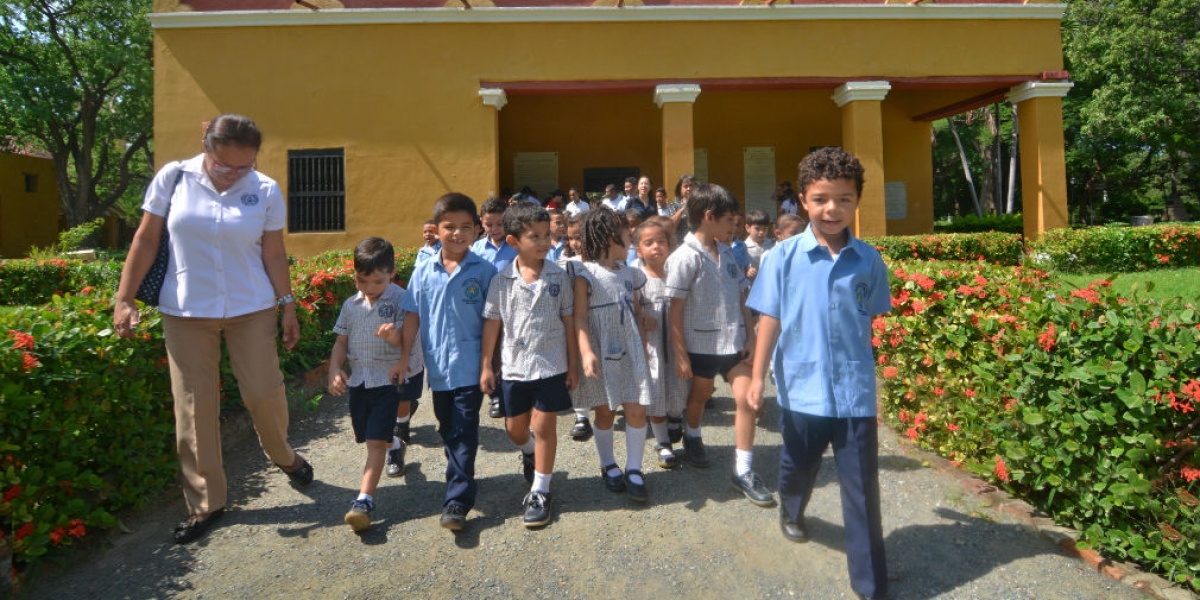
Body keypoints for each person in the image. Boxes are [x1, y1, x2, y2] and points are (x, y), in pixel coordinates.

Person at [113, 114, 313, 545]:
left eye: (246, 165)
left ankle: (284, 456)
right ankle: (206, 503)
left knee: (264, 392)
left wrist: (288, 306)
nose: (236, 174)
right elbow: (146, 240)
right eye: (226, 166)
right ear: (206, 148)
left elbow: (274, 254)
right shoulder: (173, 178)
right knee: (194, 406)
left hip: (252, 306)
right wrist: (124, 298)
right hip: (186, 310)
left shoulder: (265, 189)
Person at [747, 147, 891, 600]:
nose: (833, 209)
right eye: (822, 198)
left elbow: (871, 319)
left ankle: (870, 586)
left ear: (856, 202)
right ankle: (791, 510)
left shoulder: (869, 260)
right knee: (798, 465)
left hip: (853, 392)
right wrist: (755, 378)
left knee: (861, 489)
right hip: (801, 388)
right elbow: (768, 318)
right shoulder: (781, 258)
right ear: (804, 201)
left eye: (844, 199)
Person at [390, 193, 498, 532]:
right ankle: (459, 478)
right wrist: (405, 357)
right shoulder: (423, 272)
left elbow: (494, 322)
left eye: (466, 227)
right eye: (449, 227)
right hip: (438, 369)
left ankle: (458, 499)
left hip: (470, 366)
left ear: (477, 230)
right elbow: (411, 316)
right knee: (447, 426)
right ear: (435, 230)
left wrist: (488, 365)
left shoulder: (485, 271)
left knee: (464, 429)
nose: (458, 233)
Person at [665, 184, 772, 507]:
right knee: (700, 395)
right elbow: (675, 309)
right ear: (709, 218)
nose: (734, 228)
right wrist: (681, 354)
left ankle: (743, 470)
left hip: (734, 343)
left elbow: (742, 296)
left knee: (748, 400)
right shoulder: (684, 258)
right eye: (730, 221)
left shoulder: (727, 252)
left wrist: (752, 337)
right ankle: (693, 434)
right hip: (700, 344)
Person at [480, 202, 578, 528]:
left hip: (550, 364)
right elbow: (493, 325)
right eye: (533, 236)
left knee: (544, 425)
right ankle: (529, 451)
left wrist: (574, 365)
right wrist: (486, 366)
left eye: (546, 235)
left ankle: (541, 490)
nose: (542, 242)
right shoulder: (500, 281)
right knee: (515, 430)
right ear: (513, 242)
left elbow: (569, 321)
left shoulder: (558, 277)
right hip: (514, 367)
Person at [328, 238, 423, 532]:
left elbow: (405, 339)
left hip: (388, 380)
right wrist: (334, 368)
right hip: (360, 381)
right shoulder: (351, 304)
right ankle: (395, 445)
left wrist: (392, 337)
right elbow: (341, 341)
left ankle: (364, 500)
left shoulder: (400, 299)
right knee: (372, 436)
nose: (369, 287)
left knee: (372, 443)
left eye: (377, 281)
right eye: (362, 280)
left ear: (392, 272)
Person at [571, 207, 653, 503]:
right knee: (605, 412)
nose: (631, 239)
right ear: (609, 237)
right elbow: (579, 317)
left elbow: (638, 312)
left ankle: (634, 469)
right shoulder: (584, 274)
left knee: (636, 409)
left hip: (631, 352)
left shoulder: (631, 273)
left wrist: (643, 347)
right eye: (626, 235)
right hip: (602, 351)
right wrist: (586, 352)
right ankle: (608, 463)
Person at [634, 220, 689, 469]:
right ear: (638, 249)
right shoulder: (637, 278)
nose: (656, 247)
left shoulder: (677, 273)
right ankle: (662, 442)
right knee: (655, 391)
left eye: (661, 241)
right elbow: (630, 308)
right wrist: (641, 317)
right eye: (649, 243)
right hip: (652, 346)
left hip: (677, 342)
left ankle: (676, 417)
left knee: (679, 389)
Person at [471, 197, 517, 419]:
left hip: (514, 309)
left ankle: (512, 390)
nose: (495, 229)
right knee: (491, 351)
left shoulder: (516, 246)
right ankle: (495, 395)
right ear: (481, 223)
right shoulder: (477, 249)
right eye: (490, 225)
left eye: (500, 224)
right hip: (486, 311)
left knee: (510, 349)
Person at [559, 213, 594, 441]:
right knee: (578, 366)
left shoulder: (601, 263)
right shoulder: (565, 264)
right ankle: (581, 415)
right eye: (571, 238)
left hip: (598, 319)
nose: (575, 243)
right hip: (574, 321)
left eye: (579, 237)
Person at [659, 174, 697, 243]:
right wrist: (683, 209)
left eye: (691, 186)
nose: (689, 189)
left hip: (698, 244)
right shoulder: (674, 205)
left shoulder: (701, 204)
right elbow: (672, 226)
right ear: (680, 189)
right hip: (680, 244)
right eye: (686, 186)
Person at [744, 209, 775, 282]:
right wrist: (747, 270)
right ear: (748, 228)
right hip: (752, 285)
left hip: (769, 283)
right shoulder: (743, 246)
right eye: (757, 229)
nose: (761, 232)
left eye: (764, 229)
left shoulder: (772, 244)